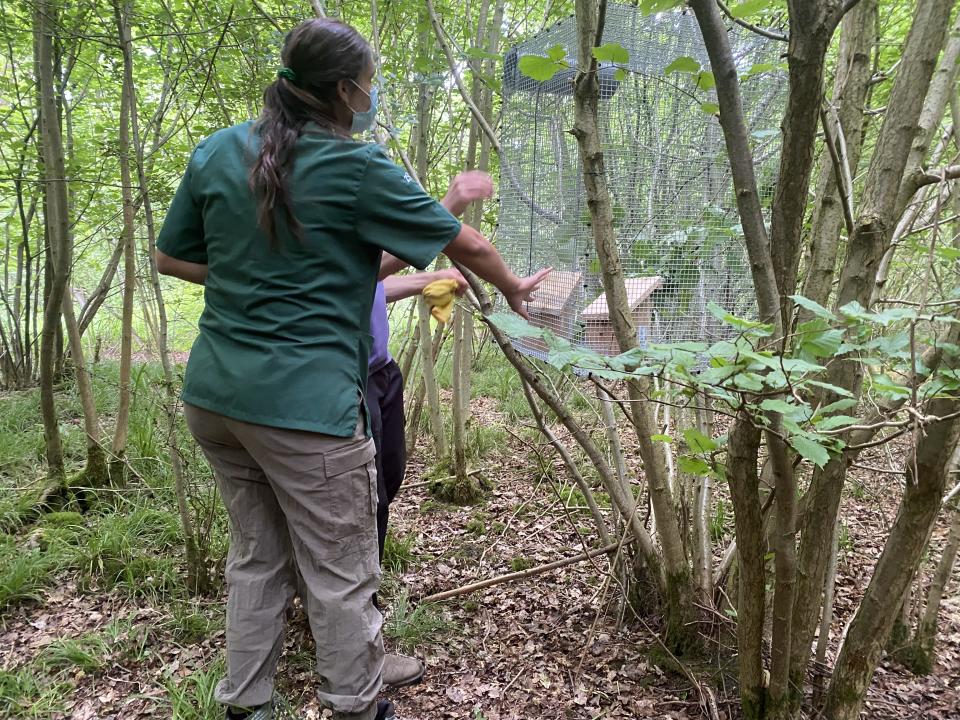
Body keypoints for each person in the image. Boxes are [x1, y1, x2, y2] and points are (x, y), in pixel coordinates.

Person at [155, 17, 550, 720]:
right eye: (368, 87)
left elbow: (171, 257)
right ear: (342, 91)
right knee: (341, 574)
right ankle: (358, 707)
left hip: (215, 399)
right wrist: (517, 290)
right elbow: (468, 244)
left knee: (256, 558)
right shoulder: (354, 165)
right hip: (305, 412)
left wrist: (254, 276)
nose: (369, 98)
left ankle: (247, 706)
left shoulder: (217, 152)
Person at [368, 172, 488, 691]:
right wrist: (448, 208)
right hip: (343, 378)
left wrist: (424, 281)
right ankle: (354, 623)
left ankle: (342, 600)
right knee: (363, 492)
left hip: (382, 369)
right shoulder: (312, 212)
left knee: (388, 479)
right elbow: (352, 275)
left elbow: (369, 281)